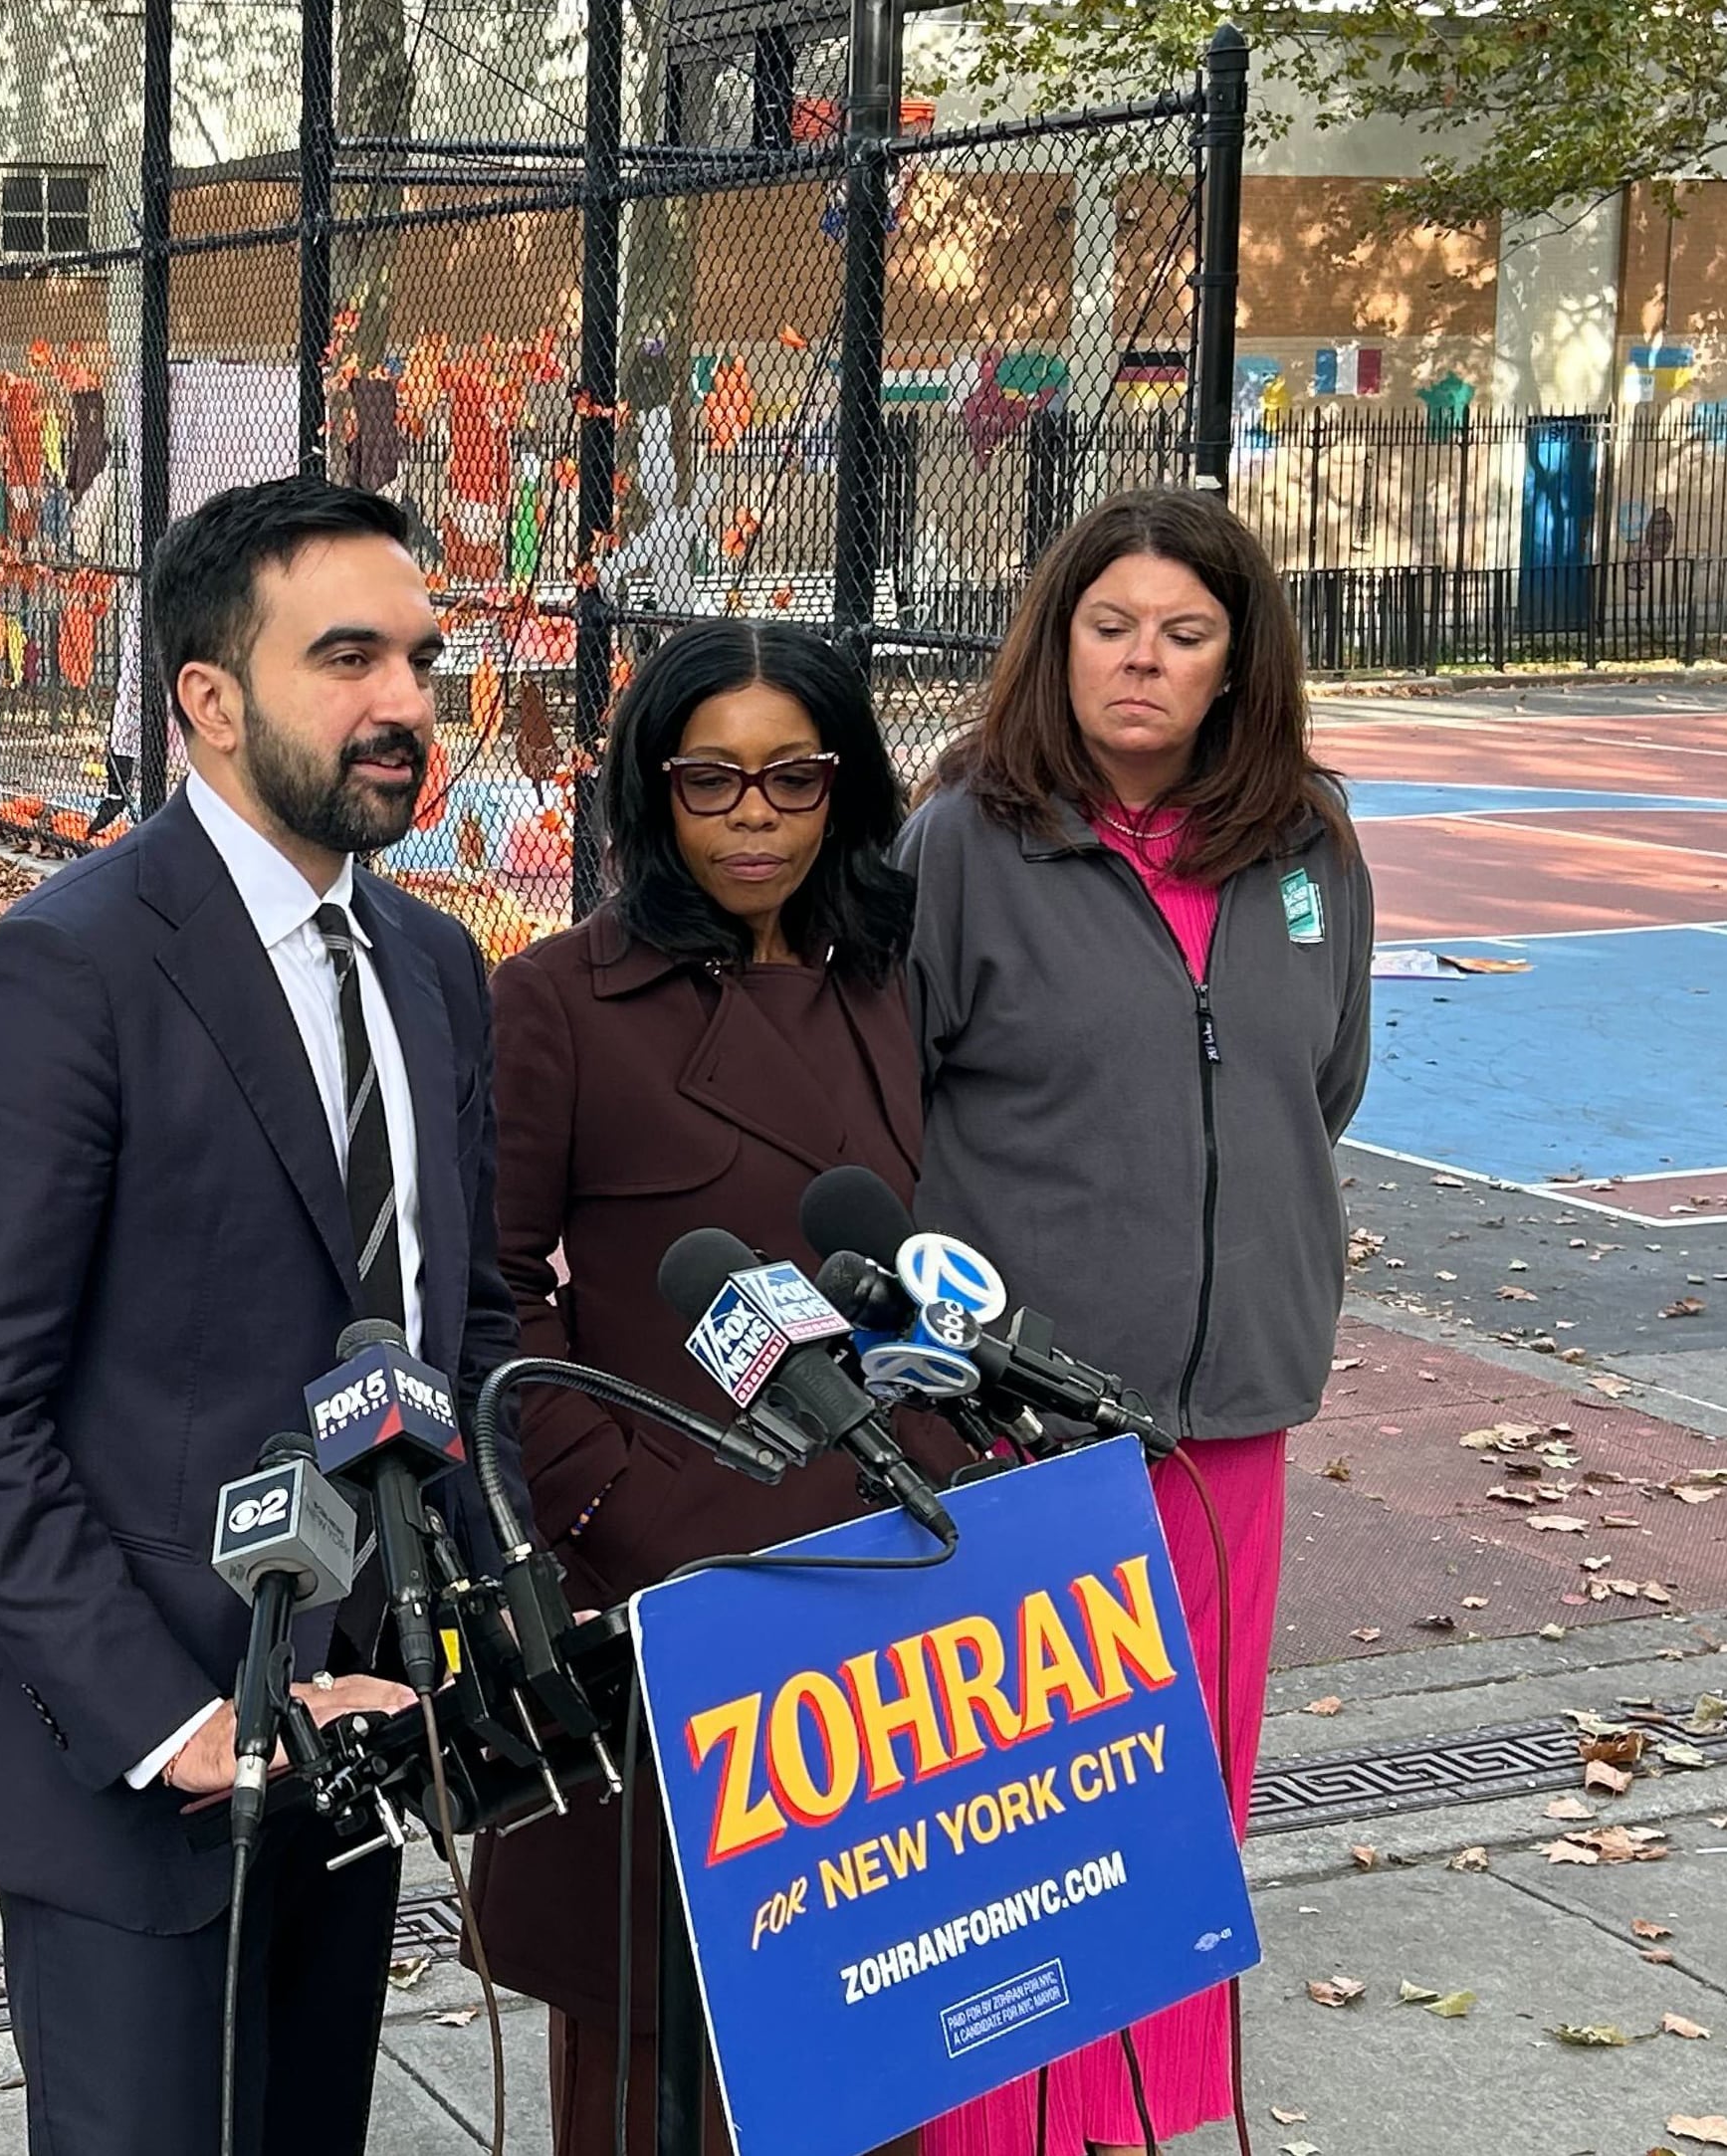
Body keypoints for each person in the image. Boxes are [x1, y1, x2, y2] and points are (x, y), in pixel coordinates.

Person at [0, 475, 522, 2156]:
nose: (403, 702)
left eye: (417, 657)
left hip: (364, 1727)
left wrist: (477, 1612)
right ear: (207, 698)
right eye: (346, 659)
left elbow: (452, 1319)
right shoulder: (65, 972)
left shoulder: (433, 967)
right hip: (136, 1762)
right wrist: (180, 1727)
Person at [899, 490, 1373, 2156]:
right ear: (1057, 639)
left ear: (1235, 661)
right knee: (1026, 1798)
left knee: (1181, 1803)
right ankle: (995, 2119)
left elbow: (1322, 1076)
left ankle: (1136, 2111)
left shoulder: (1304, 840)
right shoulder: (962, 838)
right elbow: (899, 1104)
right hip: (1023, 1423)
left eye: (1183, 634)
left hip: (1229, 1403)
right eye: (1112, 628)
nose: (1143, 664)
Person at [465, 620, 926, 2156]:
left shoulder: (885, 987)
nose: (751, 815)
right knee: (649, 2039)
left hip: (882, 1576)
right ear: (649, 794)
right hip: (665, 1583)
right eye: (709, 777)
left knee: (870, 2000)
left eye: (791, 777)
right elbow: (489, 1284)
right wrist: (607, 1493)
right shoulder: (561, 1002)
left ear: (841, 791)